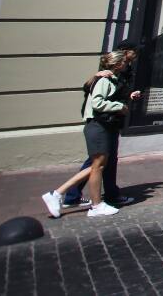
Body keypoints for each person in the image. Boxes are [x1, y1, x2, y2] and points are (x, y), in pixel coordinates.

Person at [40, 51, 141, 218]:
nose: (126, 64)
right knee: (98, 166)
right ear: (117, 64)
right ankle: (93, 205)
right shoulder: (104, 78)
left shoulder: (111, 78)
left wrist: (127, 96)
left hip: (103, 125)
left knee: (96, 166)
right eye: (124, 62)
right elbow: (97, 102)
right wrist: (119, 107)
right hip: (98, 125)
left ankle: (59, 194)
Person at [62, 40, 140, 208]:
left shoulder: (123, 70)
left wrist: (129, 95)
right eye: (133, 55)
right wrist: (119, 105)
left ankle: (73, 195)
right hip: (102, 121)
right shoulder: (109, 70)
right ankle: (69, 194)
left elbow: (118, 91)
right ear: (125, 53)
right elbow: (92, 91)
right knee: (99, 161)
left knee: (101, 160)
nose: (134, 59)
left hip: (110, 120)